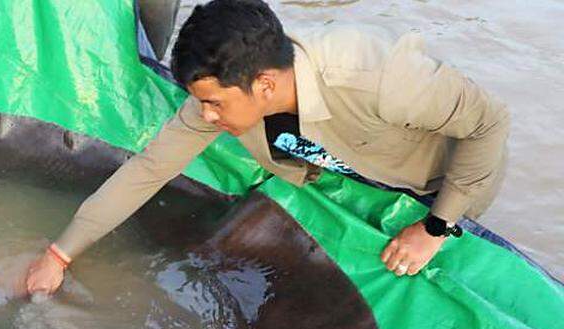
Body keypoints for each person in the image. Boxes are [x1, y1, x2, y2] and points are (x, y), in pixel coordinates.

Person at [25, 0, 509, 294]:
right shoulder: (228, 91)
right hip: (344, 173)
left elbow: (489, 125)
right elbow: (149, 169)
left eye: (214, 104)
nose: (206, 117)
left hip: (433, 186)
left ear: (263, 86)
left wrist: (437, 226)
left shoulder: (376, 76)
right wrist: (60, 253)